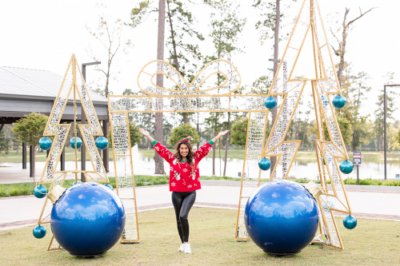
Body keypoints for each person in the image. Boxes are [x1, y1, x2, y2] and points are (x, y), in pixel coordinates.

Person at [139, 128, 229, 254]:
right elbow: (160, 149)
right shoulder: (172, 158)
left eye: (186, 148)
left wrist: (218, 136)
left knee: (183, 216)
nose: (184, 151)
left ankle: (187, 243)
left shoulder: (195, 157)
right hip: (176, 193)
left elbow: (206, 147)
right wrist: (148, 136)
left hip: (190, 193)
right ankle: (183, 243)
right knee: (178, 219)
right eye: (182, 148)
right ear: (178, 149)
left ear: (189, 149)